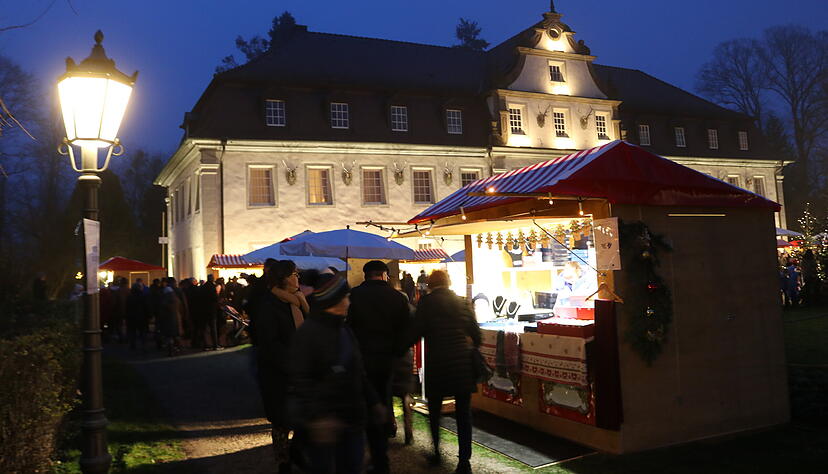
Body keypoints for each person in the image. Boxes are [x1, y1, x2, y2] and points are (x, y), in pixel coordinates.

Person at [290, 273, 382, 474]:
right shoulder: (309, 333)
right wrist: (318, 417)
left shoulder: (344, 330)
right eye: (346, 297)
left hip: (351, 418)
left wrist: (374, 402)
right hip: (326, 424)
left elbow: (358, 372)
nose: (349, 302)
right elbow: (301, 378)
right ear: (335, 300)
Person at [410, 270, 480, 474]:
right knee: (463, 414)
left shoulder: (426, 302)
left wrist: (398, 348)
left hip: (437, 364)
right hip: (462, 366)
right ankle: (464, 461)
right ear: (448, 283)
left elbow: (416, 331)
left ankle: (437, 452)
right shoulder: (462, 302)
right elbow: (476, 335)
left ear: (430, 283)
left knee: (434, 411)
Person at [348, 260, 412, 473]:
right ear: (385, 275)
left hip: (362, 359)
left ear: (366, 275)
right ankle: (380, 451)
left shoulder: (354, 296)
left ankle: (367, 446)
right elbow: (407, 331)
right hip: (387, 360)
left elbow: (348, 328)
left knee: (364, 400)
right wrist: (397, 351)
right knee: (383, 401)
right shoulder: (397, 298)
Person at [248, 260, 308, 474]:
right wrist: (291, 363)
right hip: (279, 372)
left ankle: (298, 455)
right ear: (283, 278)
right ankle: (284, 462)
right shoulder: (269, 304)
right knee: (282, 420)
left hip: (300, 370)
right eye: (294, 274)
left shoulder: (299, 301)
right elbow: (270, 343)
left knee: (303, 415)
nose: (297, 277)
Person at [126, 281, 150, 351]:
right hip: (142, 317)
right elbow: (147, 306)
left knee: (133, 332)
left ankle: (132, 345)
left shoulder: (130, 297)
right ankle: (144, 346)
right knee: (143, 332)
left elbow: (127, 307)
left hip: (132, 317)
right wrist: (149, 315)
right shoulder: (143, 296)